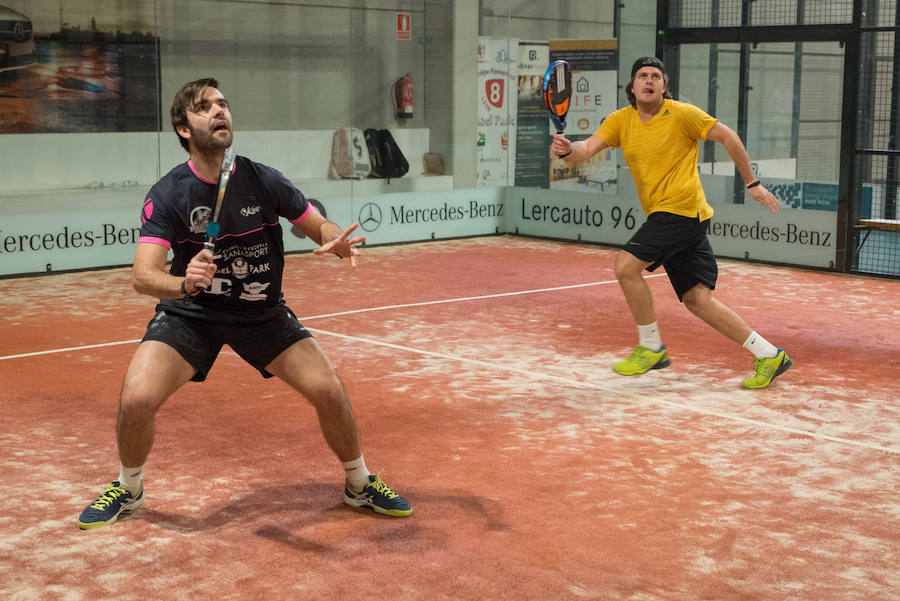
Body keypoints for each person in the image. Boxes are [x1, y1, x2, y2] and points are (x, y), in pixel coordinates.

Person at [78, 78, 411, 529]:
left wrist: (334, 241)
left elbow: (316, 225)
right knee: (136, 398)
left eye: (223, 104)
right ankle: (128, 487)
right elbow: (143, 276)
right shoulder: (168, 194)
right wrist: (183, 282)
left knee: (330, 391)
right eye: (204, 107)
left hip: (261, 313)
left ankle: (359, 482)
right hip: (192, 316)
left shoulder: (260, 178)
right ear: (183, 128)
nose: (220, 112)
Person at [551, 57, 793, 389]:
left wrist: (752, 183)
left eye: (656, 76)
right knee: (697, 300)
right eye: (642, 76)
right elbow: (586, 149)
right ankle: (769, 354)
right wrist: (567, 149)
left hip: (681, 210)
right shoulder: (620, 121)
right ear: (632, 86)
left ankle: (651, 346)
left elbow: (729, 137)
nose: (649, 80)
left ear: (664, 86)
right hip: (678, 218)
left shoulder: (683, 114)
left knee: (625, 267)